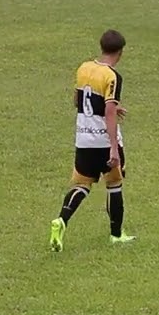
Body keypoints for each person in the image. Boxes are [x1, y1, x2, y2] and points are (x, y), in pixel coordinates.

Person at [49, 30, 136, 252]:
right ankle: (116, 235)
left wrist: (112, 107)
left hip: (84, 138)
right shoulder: (112, 76)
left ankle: (61, 220)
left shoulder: (84, 68)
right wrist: (114, 150)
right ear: (120, 52)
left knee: (82, 185)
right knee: (114, 185)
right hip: (104, 141)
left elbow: (78, 100)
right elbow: (108, 113)